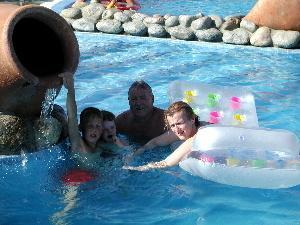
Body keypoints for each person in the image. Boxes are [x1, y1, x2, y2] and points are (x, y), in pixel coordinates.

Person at [123, 101, 209, 171]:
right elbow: (155, 142)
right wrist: (134, 155)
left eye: (179, 123)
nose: (176, 129)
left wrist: (139, 168)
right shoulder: (182, 130)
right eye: (172, 125)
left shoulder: (202, 133)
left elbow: (166, 163)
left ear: (192, 119)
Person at [59, 72, 103, 153]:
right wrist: (71, 89)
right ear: (81, 128)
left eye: (98, 126)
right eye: (90, 125)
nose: (94, 129)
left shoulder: (101, 147)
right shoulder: (78, 145)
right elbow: (72, 117)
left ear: (102, 129)